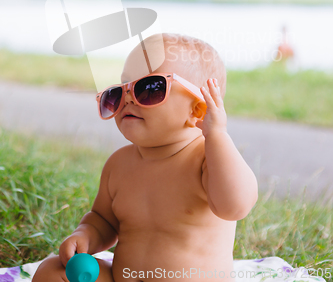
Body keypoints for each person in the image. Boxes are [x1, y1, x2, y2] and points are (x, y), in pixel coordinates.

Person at [32, 33, 258, 282]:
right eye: (120, 90)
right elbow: (104, 220)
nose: (127, 97)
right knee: (52, 272)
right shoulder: (118, 165)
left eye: (148, 88)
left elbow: (235, 205)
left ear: (198, 109)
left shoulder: (207, 160)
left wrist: (217, 135)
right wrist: (87, 233)